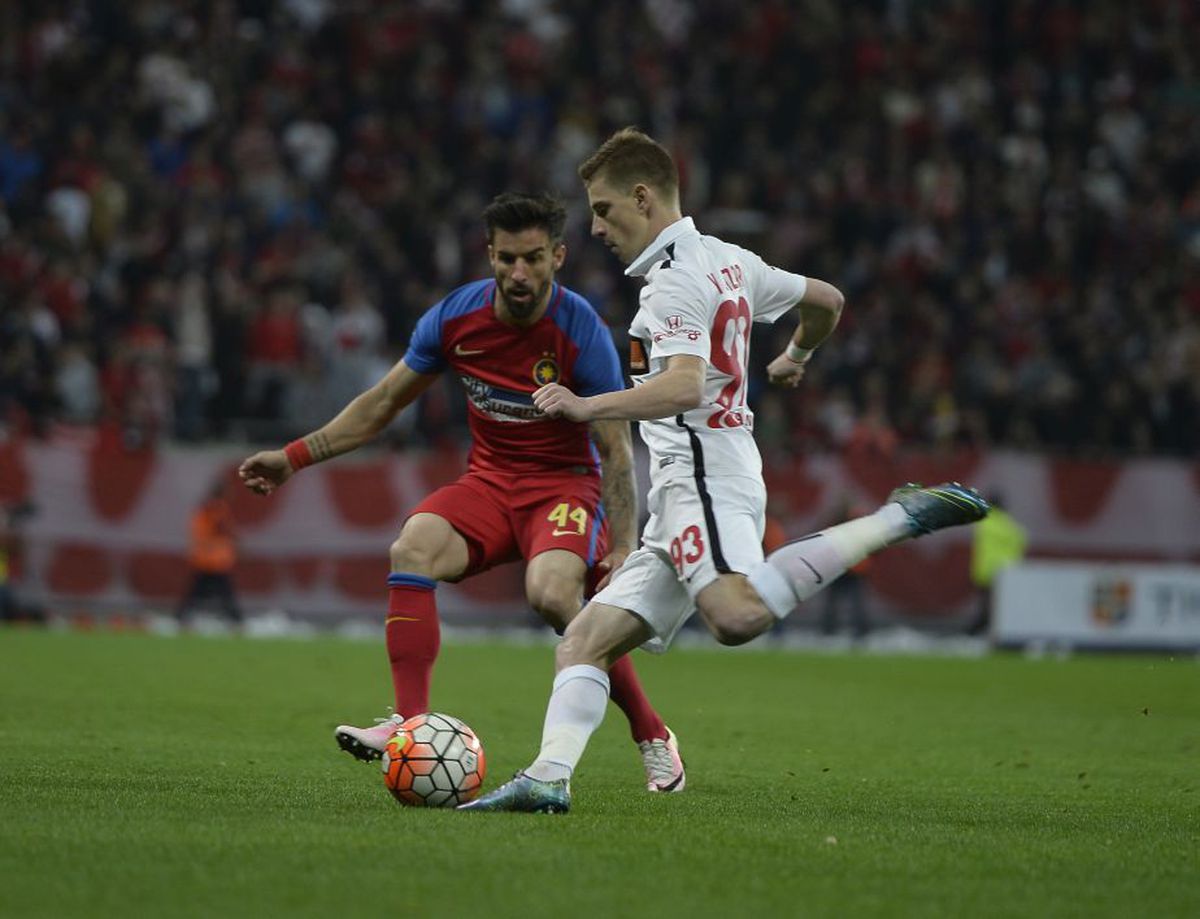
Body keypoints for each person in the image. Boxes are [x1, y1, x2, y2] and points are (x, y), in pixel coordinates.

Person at [460, 129, 989, 814]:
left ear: (643, 197)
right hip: (695, 480)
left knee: (735, 616)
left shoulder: (673, 283)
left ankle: (895, 518)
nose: (596, 226)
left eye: (604, 207)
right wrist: (798, 352)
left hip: (703, 473)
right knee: (584, 640)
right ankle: (547, 776)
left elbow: (682, 386)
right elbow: (826, 299)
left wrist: (588, 403)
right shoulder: (730, 260)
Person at [238, 192, 685, 793]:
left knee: (553, 595)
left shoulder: (581, 330)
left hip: (563, 490)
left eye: (531, 259)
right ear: (490, 255)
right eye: (506, 259)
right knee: (412, 547)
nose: (517, 274)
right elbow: (381, 405)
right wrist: (294, 457)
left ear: (557, 256)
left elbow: (614, 447)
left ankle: (653, 735)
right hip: (490, 483)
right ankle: (409, 724)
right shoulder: (455, 317)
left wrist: (623, 543)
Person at [176, 479, 244, 628]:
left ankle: (181, 617)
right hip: (214, 559)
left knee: (198, 592)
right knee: (223, 593)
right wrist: (234, 540)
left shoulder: (205, 509)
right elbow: (223, 529)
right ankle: (236, 620)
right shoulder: (215, 509)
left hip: (207, 558)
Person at [968, 494, 1028, 635]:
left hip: (984, 571)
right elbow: (1022, 538)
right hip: (1003, 572)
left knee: (987, 607)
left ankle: (973, 633)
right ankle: (982, 633)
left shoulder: (984, 521)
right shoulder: (1007, 524)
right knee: (995, 608)